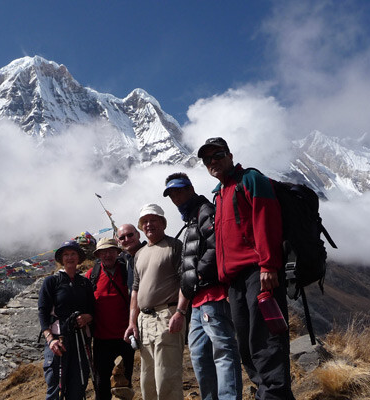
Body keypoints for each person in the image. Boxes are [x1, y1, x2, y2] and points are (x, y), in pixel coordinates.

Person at [198, 137, 295, 400]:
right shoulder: (220, 193)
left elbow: (267, 221)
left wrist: (268, 265)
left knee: (266, 343)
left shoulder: (249, 180)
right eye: (207, 159)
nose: (213, 162)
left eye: (217, 155)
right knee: (248, 347)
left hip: (258, 273)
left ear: (230, 155)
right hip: (234, 282)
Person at [163, 172, 242, 400]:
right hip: (197, 301)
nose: (176, 196)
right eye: (171, 194)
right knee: (199, 354)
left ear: (190, 189)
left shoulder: (205, 211)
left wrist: (198, 274)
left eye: (179, 190)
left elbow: (216, 245)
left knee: (223, 351)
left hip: (212, 294)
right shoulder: (191, 218)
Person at [123, 204, 188, 400]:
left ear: (163, 223)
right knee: (147, 380)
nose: (149, 224)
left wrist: (180, 312)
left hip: (166, 316)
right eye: (145, 222)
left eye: (153, 220)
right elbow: (135, 290)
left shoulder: (174, 246)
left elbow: (186, 281)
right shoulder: (139, 254)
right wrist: (132, 323)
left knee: (167, 378)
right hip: (144, 321)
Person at [38, 240, 96, 400]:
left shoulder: (85, 283)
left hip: (80, 340)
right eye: (66, 254)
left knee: (78, 388)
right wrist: (50, 340)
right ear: (61, 259)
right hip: (58, 340)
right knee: (55, 388)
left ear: (79, 258)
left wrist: (87, 317)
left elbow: (92, 310)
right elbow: (43, 312)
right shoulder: (51, 282)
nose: (70, 257)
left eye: (73, 254)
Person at [85, 237, 134, 400]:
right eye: (103, 252)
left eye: (111, 251)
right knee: (101, 384)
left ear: (117, 253)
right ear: (98, 255)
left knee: (124, 384)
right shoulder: (91, 275)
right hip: (101, 339)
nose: (107, 255)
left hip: (125, 337)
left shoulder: (128, 271)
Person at [116, 223, 146, 294]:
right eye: (122, 238)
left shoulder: (151, 252)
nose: (127, 239)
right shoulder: (125, 261)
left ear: (138, 235)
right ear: (119, 241)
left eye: (130, 235)